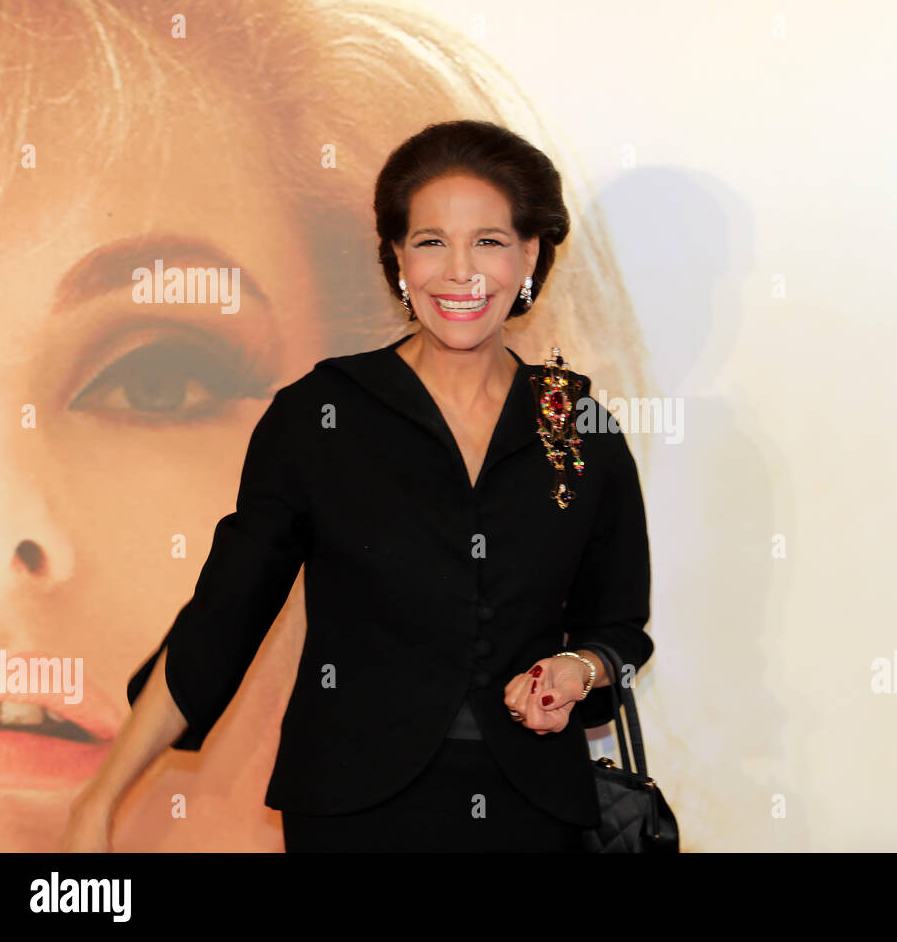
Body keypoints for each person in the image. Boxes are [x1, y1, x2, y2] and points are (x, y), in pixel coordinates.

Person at [61, 120, 654, 852]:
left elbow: (621, 627)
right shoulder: (322, 415)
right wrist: (101, 796)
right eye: (431, 241)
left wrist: (579, 666)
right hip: (355, 812)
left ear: (530, 254)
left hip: (534, 810)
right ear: (397, 259)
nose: (460, 272)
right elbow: (222, 619)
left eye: (490, 242)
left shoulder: (574, 421)